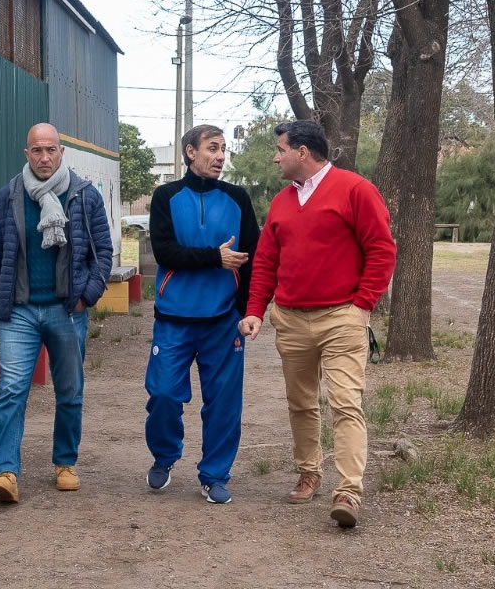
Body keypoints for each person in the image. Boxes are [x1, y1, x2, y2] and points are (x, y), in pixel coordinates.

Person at [239, 120, 395, 528]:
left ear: (302, 152)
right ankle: (309, 473)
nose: (275, 156)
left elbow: (381, 249)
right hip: (290, 319)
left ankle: (348, 492)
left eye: (280, 149)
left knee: (346, 402)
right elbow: (266, 262)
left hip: (341, 316)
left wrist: (362, 306)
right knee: (301, 402)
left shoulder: (355, 190)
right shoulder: (281, 202)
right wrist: (256, 309)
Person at [0, 123, 113, 503]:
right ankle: (6, 472)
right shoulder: (9, 197)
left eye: (50, 150)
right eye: (37, 150)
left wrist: (87, 296)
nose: (44, 157)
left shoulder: (84, 196)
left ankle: (65, 462)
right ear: (26, 153)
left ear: (62, 152)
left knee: (69, 390)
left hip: (67, 310)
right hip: (19, 312)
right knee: (12, 390)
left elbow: (103, 253)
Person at [144, 124, 260, 504]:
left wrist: (247, 311)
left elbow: (255, 259)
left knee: (224, 403)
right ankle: (165, 456)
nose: (221, 156)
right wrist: (216, 258)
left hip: (223, 321)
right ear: (191, 152)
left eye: (224, 149)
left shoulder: (237, 199)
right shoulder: (166, 196)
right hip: (174, 319)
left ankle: (215, 475)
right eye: (212, 148)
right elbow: (165, 253)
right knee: (162, 394)